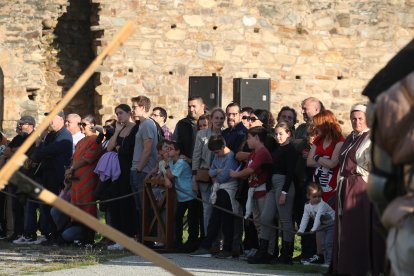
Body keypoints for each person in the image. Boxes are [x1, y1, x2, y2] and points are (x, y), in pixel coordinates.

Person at [331, 104, 386, 275]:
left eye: (360, 118)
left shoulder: (373, 138)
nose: (357, 122)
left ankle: (358, 267)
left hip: (361, 187)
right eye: (354, 119)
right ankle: (343, 266)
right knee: (344, 227)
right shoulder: (350, 138)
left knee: (356, 229)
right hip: (345, 186)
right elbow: (342, 163)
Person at [248, 122, 298, 264]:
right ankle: (264, 251)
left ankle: (286, 254)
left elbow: (290, 173)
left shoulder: (290, 149)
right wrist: (269, 187)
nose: (278, 137)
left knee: (285, 220)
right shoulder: (277, 149)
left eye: (281, 133)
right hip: (272, 187)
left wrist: (284, 192)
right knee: (265, 217)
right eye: (276, 134)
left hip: (284, 185)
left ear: (289, 133)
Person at [190, 135, 240, 258]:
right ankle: (207, 245)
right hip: (219, 189)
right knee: (215, 218)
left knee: (226, 219)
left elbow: (224, 176)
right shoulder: (218, 156)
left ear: (223, 147)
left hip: (228, 190)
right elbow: (211, 171)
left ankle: (228, 248)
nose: (216, 155)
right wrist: (218, 171)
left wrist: (217, 173)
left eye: (217, 152)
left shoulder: (231, 157)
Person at [230, 126, 273, 261]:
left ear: (257, 138)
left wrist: (236, 174)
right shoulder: (254, 153)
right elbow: (248, 170)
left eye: (249, 138)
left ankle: (269, 251)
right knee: (258, 223)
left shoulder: (262, 152)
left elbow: (250, 170)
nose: (247, 141)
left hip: (262, 192)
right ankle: (262, 249)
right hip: (253, 191)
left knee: (265, 223)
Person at [292, 97, 325, 262]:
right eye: (302, 108)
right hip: (300, 178)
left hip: (315, 178)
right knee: (301, 216)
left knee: (314, 216)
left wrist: (306, 147)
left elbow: (316, 148)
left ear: (317, 109)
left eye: (305, 108)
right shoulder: (301, 128)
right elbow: (294, 145)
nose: (302, 111)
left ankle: (316, 252)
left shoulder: (324, 128)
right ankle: (306, 250)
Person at [61, 115, 103, 244]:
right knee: (77, 209)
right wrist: (69, 171)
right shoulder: (81, 141)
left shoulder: (95, 140)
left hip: (88, 180)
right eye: (80, 124)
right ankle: (79, 237)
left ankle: (88, 239)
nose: (81, 127)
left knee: (88, 208)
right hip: (76, 181)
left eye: (84, 124)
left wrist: (72, 168)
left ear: (92, 125)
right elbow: (74, 159)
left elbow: (87, 158)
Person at [33, 111, 72, 242]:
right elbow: (40, 153)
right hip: (47, 176)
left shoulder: (65, 135)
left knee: (56, 209)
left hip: (58, 177)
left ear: (61, 119)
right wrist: (41, 149)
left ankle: (58, 235)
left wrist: (42, 150)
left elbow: (49, 150)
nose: (50, 122)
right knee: (46, 208)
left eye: (52, 119)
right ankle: (48, 234)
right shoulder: (50, 135)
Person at [106, 104, 139, 250]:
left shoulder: (135, 128)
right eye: (116, 113)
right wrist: (116, 132)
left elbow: (128, 150)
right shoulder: (120, 129)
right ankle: (119, 238)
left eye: (121, 113)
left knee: (127, 204)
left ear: (128, 113)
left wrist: (120, 148)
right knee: (116, 204)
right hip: (117, 170)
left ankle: (129, 237)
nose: (119, 116)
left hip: (128, 168)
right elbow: (109, 147)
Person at [192, 108, 225, 238]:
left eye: (221, 118)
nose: (219, 120)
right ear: (211, 119)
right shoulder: (202, 134)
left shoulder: (225, 134)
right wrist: (194, 178)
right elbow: (196, 156)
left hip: (221, 176)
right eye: (216, 118)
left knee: (220, 209)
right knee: (207, 209)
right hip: (205, 174)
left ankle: (220, 240)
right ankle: (208, 239)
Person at [130, 96, 159, 243]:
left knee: (144, 207)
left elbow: (148, 149)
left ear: (143, 107)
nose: (132, 109)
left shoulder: (148, 124)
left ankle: (146, 239)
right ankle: (142, 238)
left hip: (142, 170)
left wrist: (139, 169)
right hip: (137, 169)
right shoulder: (141, 125)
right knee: (139, 207)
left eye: (135, 107)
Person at [164, 141, 198, 250]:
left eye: (171, 148)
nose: (168, 150)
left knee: (191, 219)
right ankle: (178, 241)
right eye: (167, 148)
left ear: (178, 151)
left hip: (189, 194)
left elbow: (170, 176)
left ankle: (192, 242)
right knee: (178, 217)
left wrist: (166, 163)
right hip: (181, 195)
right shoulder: (172, 162)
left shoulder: (181, 163)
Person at [307, 110, 344, 208]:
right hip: (317, 186)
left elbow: (333, 164)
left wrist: (317, 157)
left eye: (317, 125)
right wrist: (325, 161)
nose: (315, 128)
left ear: (325, 125)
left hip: (331, 186)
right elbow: (309, 162)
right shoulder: (318, 139)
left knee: (330, 215)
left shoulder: (339, 141)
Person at [298, 183, 335, 267]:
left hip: (331, 225)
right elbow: (305, 218)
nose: (317, 199)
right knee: (322, 244)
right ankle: (326, 261)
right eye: (314, 197)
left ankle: (329, 262)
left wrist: (314, 229)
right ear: (308, 196)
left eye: (319, 196)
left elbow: (318, 218)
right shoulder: (307, 206)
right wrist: (301, 230)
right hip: (321, 226)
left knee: (328, 243)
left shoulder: (322, 205)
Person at [173, 96, 205, 160]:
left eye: (194, 106)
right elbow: (175, 143)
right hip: (186, 164)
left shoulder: (212, 122)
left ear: (202, 106)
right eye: (189, 107)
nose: (191, 109)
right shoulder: (182, 124)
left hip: (206, 165)